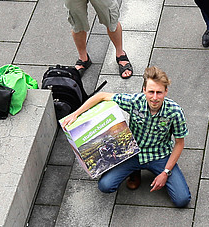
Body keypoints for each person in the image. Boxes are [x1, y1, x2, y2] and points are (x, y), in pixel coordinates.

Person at [61, 67, 190, 208]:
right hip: (133, 153)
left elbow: (179, 143)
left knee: (182, 200)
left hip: (160, 156)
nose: (154, 97)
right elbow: (102, 96)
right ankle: (135, 170)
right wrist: (76, 114)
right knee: (105, 185)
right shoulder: (135, 101)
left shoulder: (175, 112)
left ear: (166, 91)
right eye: (151, 92)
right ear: (144, 90)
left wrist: (165, 172)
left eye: (159, 92)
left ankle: (154, 171)